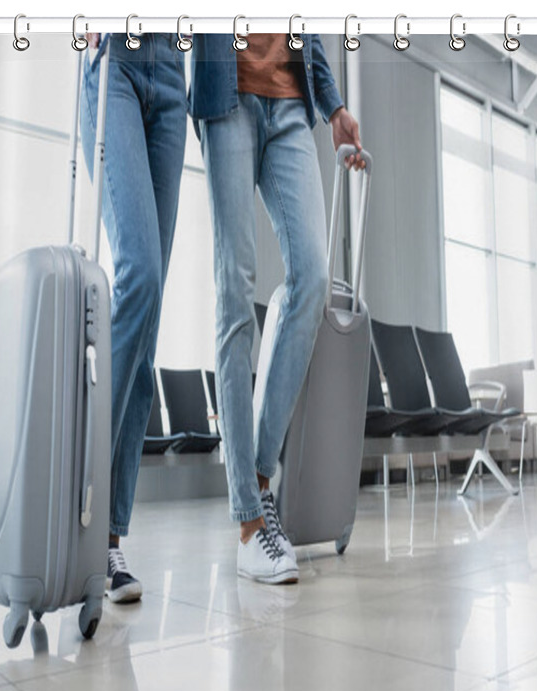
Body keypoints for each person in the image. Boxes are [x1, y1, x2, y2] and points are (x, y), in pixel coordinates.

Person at [189, 33, 364, 584]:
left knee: (312, 278)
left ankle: (261, 478)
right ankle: (247, 521)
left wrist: (332, 103)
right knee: (236, 293)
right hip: (227, 96)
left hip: (291, 100)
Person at [81, 32, 187, 602]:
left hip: (173, 71)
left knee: (147, 321)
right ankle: (82, 491)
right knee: (139, 272)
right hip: (114, 61)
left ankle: (109, 536)